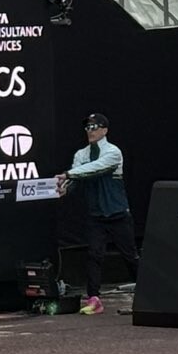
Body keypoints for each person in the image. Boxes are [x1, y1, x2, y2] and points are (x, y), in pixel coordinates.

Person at [59, 113, 140, 315]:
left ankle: (146, 294)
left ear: (104, 130)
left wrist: (69, 174)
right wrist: (64, 188)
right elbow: (76, 179)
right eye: (88, 127)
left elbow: (96, 169)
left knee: (130, 256)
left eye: (94, 127)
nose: (90, 131)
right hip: (96, 216)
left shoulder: (113, 152)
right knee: (94, 255)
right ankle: (94, 298)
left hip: (118, 214)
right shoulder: (81, 154)